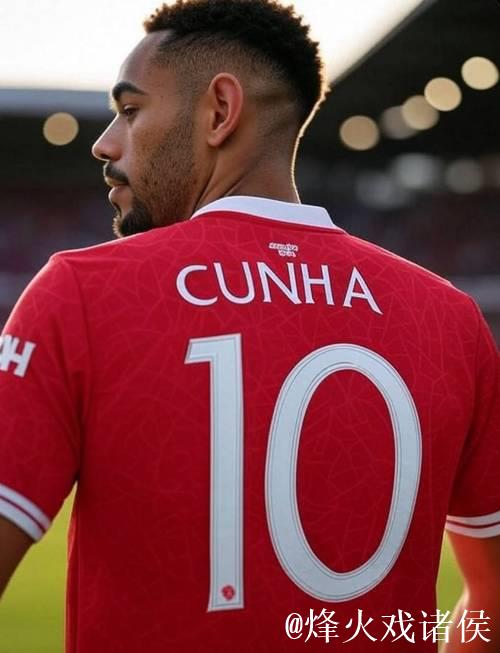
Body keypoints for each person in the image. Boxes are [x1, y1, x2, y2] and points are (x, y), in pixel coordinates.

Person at [0, 0, 498, 651]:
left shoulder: (81, 294)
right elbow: (492, 594)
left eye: (131, 110)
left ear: (219, 111)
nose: (106, 142)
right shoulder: (450, 320)